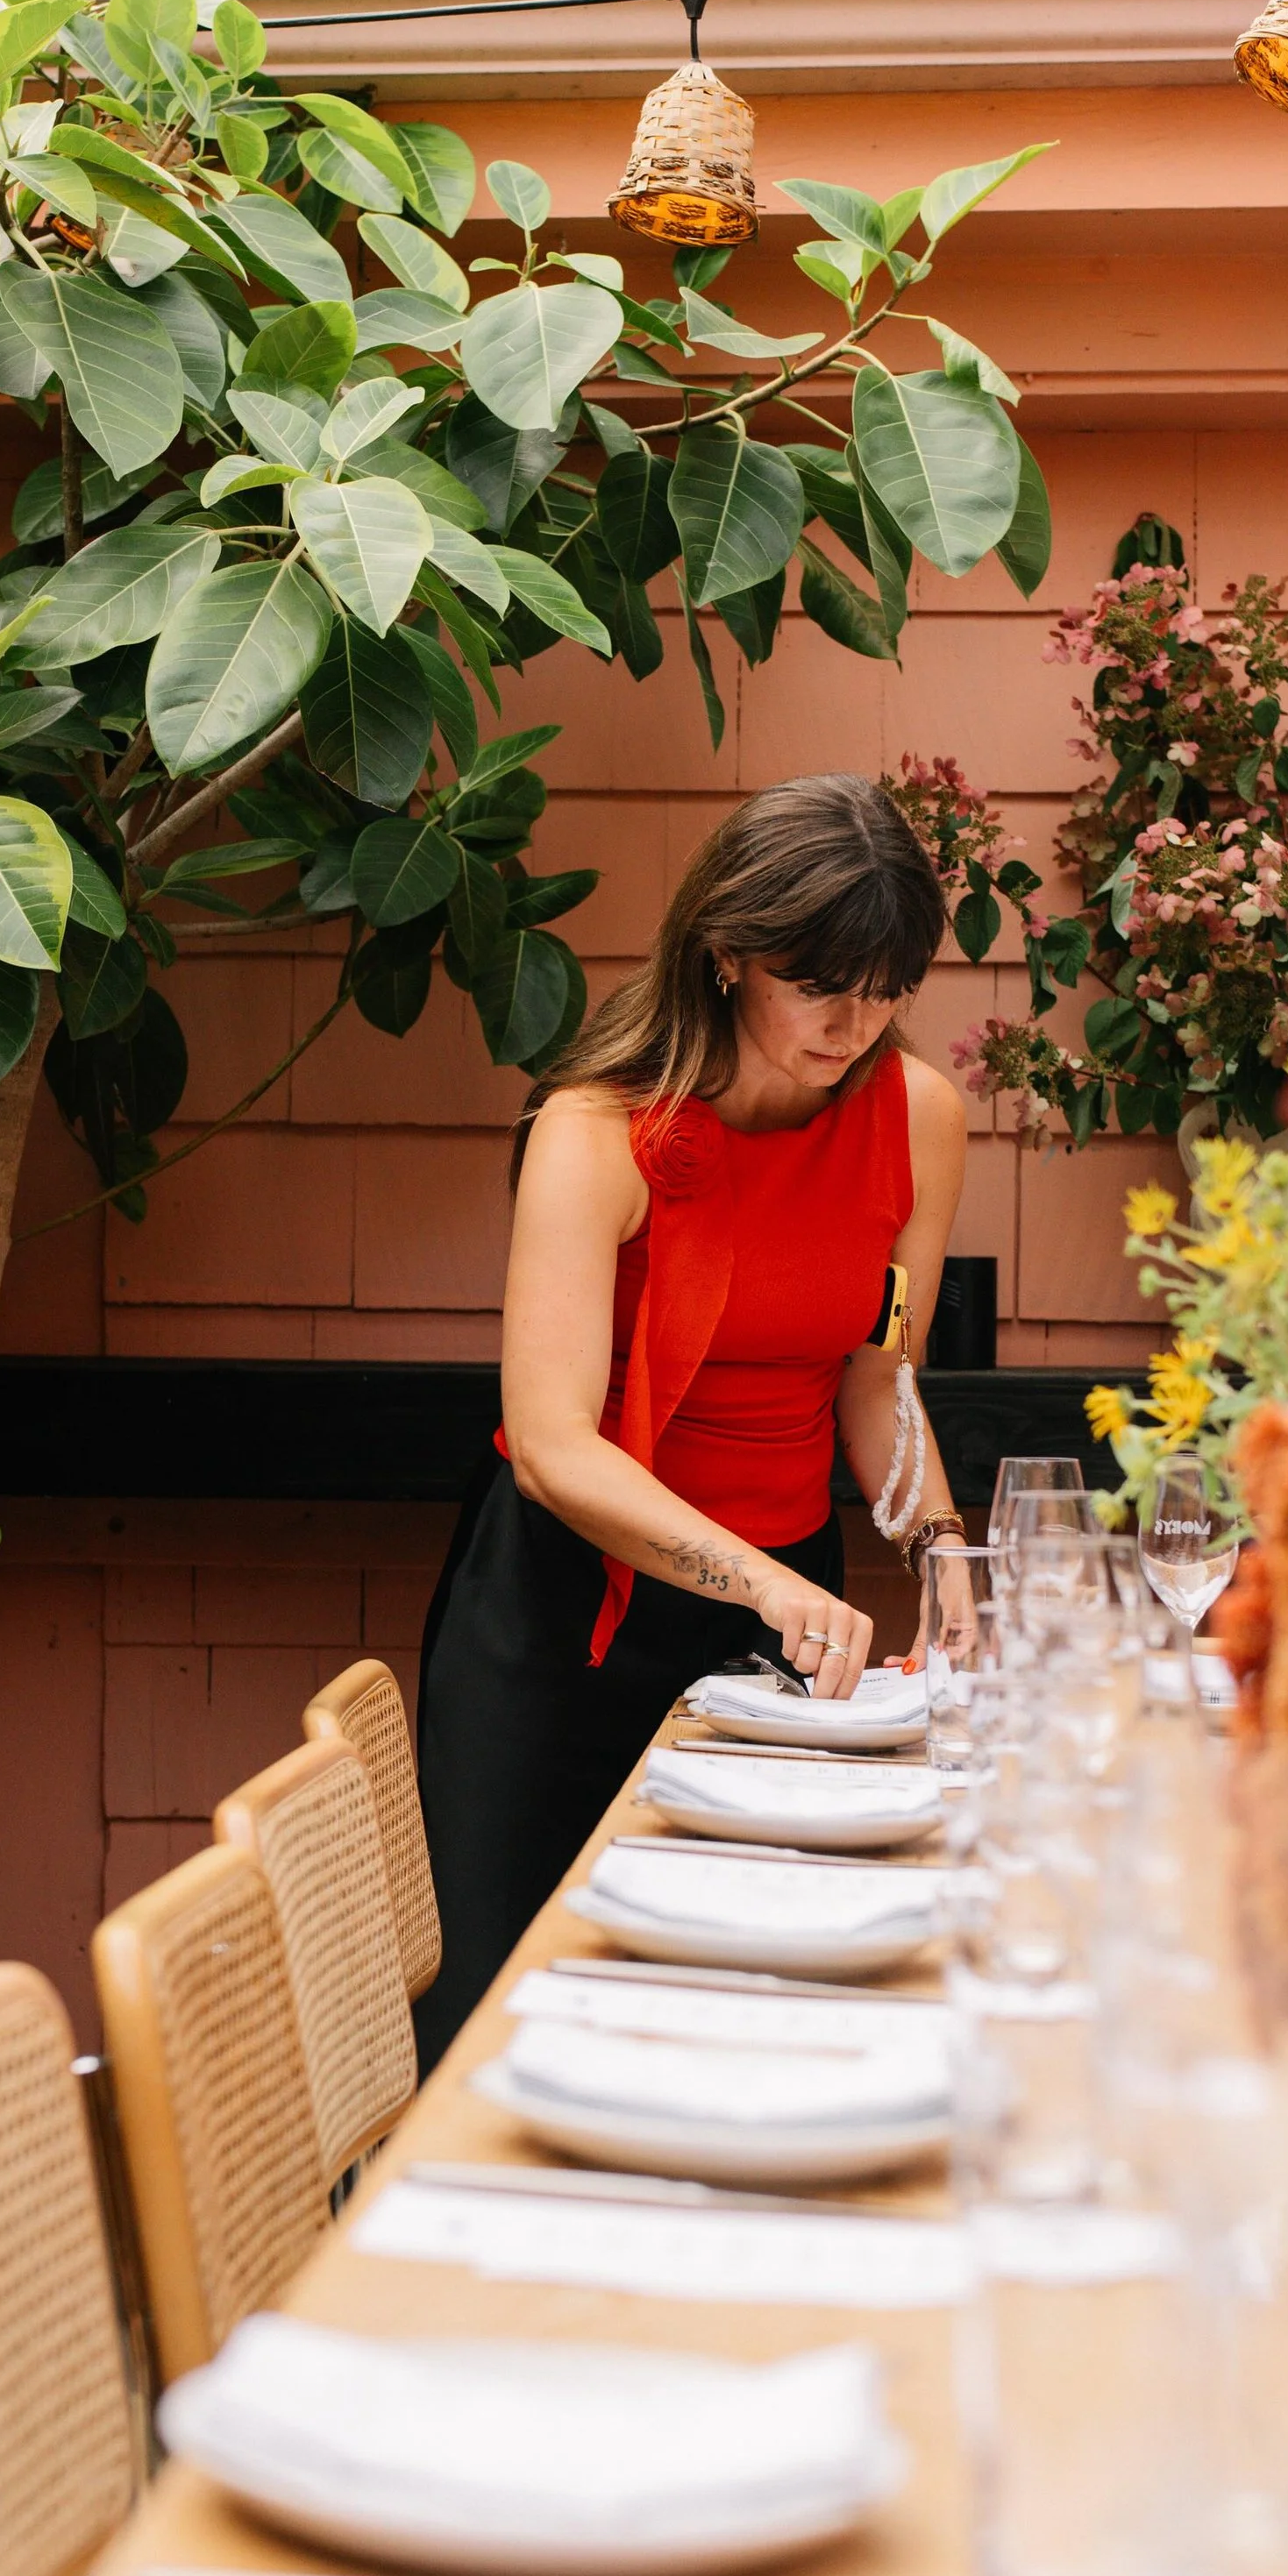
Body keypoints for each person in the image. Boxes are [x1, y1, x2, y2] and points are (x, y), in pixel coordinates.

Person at [413, 772, 972, 2067]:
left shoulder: (920, 1120)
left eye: (888, 986)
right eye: (819, 983)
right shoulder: (595, 1128)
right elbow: (552, 1448)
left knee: (750, 2018)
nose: (856, 1023)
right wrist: (765, 1588)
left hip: (791, 1623)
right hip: (560, 1624)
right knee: (513, 2024)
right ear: (727, 950)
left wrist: (941, 1552)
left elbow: (879, 1378)